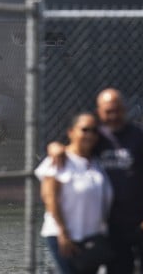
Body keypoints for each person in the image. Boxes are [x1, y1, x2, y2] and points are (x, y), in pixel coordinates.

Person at [49, 89, 143, 274]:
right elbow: (76, 148)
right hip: (112, 226)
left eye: (117, 110)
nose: (113, 116)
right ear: (99, 111)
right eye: (108, 112)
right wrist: (55, 147)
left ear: (125, 110)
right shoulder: (97, 138)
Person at [35, 111, 113, 274]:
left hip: (92, 237)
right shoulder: (58, 160)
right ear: (71, 132)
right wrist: (63, 233)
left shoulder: (96, 163)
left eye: (94, 130)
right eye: (84, 129)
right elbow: (49, 198)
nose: (90, 135)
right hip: (65, 236)